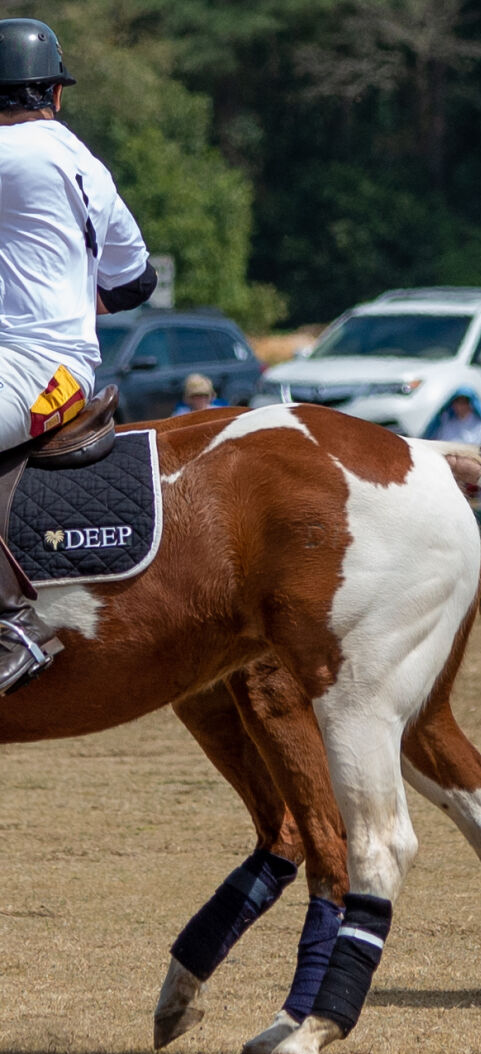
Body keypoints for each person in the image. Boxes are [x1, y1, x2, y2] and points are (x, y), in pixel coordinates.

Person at [0, 18, 156, 694]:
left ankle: (11, 627)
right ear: (55, 95)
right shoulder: (85, 163)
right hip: (57, 355)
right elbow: (135, 280)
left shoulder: (11, 155)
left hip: (33, 364)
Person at [427, 390, 481, 454]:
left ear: (470, 404)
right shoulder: (447, 424)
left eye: (464, 402)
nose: (460, 406)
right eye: (457, 402)